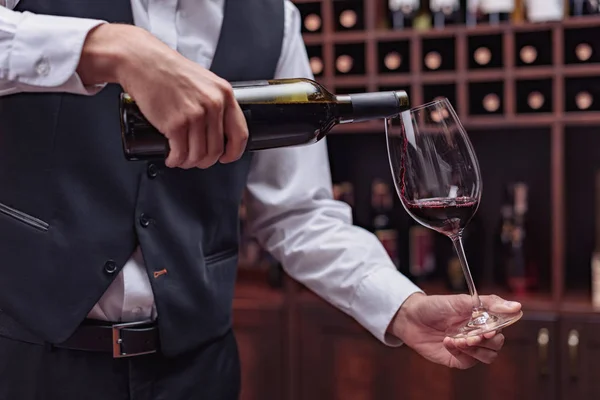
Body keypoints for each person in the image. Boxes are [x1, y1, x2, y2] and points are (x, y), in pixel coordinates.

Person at [0, 0, 521, 399]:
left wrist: (401, 306)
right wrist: (108, 47)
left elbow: (299, 212)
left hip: (198, 373)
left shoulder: (274, 17)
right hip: (30, 363)